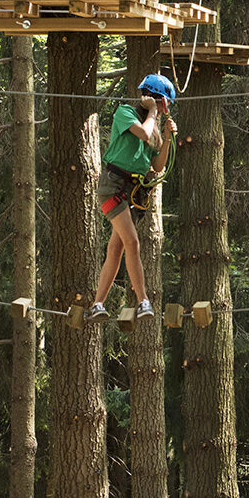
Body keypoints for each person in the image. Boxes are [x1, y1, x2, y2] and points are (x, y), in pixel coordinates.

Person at [86, 74, 177, 322]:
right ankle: (143, 301)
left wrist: (167, 138)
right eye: (161, 103)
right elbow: (144, 134)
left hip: (134, 192)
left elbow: (158, 166)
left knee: (116, 248)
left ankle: (97, 304)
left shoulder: (153, 125)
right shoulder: (124, 112)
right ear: (151, 99)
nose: (163, 109)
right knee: (133, 243)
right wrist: (152, 115)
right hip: (113, 186)